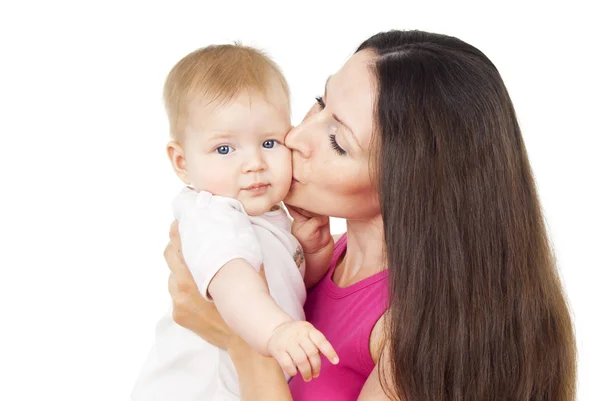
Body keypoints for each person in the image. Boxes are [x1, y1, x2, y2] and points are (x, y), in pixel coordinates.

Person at [163, 30, 577, 401]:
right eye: (320, 102)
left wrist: (244, 347)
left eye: (338, 141)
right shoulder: (316, 253)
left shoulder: (411, 335)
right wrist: (307, 261)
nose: (295, 137)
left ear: (411, 182)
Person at [132, 43, 337, 401]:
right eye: (225, 149)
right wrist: (278, 332)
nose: (254, 162)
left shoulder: (267, 217)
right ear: (181, 162)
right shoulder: (212, 214)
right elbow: (235, 284)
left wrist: (312, 254)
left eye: (270, 142)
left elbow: (289, 288)